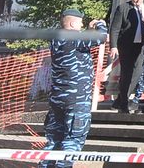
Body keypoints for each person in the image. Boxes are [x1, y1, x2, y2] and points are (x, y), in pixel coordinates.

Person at [44, 9, 108, 168]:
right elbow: (102, 37)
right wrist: (100, 24)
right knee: (73, 140)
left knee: (54, 141)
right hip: (77, 99)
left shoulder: (57, 38)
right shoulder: (75, 38)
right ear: (73, 23)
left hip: (57, 98)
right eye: (80, 23)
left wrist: (87, 31)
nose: (82, 26)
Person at [109, 0, 144, 113]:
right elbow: (114, 29)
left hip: (142, 46)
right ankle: (123, 104)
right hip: (126, 46)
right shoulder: (123, 8)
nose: (137, 0)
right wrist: (113, 46)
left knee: (137, 74)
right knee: (126, 74)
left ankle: (120, 100)